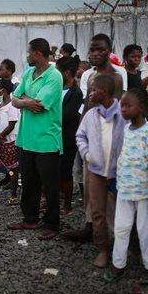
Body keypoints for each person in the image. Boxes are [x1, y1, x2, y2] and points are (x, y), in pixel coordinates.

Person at [104, 89, 148, 282]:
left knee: (146, 230)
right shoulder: (126, 129)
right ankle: (118, 265)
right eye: (122, 105)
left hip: (146, 193)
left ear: (141, 108)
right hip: (125, 190)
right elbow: (123, 157)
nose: (123, 109)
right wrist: (117, 180)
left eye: (128, 105)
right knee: (121, 228)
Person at [7, 38, 63, 241]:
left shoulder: (54, 76)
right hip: (26, 139)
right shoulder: (29, 73)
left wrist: (23, 101)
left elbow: (40, 104)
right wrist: (25, 102)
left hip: (46, 140)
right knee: (29, 181)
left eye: (29, 53)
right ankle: (30, 218)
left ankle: (52, 223)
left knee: (49, 185)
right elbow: (13, 99)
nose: (27, 56)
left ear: (39, 53)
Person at [75, 74, 128, 268]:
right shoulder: (91, 115)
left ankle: (124, 250)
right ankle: (103, 250)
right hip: (96, 172)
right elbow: (80, 136)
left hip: (119, 173)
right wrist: (88, 155)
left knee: (122, 212)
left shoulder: (124, 114)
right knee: (97, 212)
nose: (90, 93)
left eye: (93, 89)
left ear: (104, 92)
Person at [56, 56, 83, 216]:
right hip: (54, 135)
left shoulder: (76, 93)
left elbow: (67, 115)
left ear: (66, 73)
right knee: (53, 170)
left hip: (67, 138)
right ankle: (53, 199)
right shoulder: (57, 88)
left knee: (65, 171)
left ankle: (67, 204)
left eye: (58, 71)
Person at [80, 34, 128, 105]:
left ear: (110, 51)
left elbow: (118, 102)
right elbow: (86, 103)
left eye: (101, 50)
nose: (95, 54)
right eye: (92, 50)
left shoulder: (119, 72)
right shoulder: (87, 75)